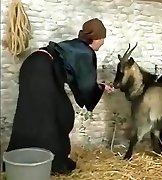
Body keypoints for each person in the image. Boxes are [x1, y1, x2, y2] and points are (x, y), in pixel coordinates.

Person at [2, 18, 114, 174]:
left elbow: (77, 78)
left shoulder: (75, 46)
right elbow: (85, 85)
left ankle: (20, 159)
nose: (102, 43)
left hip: (31, 65)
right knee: (61, 114)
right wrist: (101, 88)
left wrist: (98, 87)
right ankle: (56, 162)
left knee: (29, 114)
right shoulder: (85, 52)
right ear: (97, 38)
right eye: (103, 39)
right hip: (43, 70)